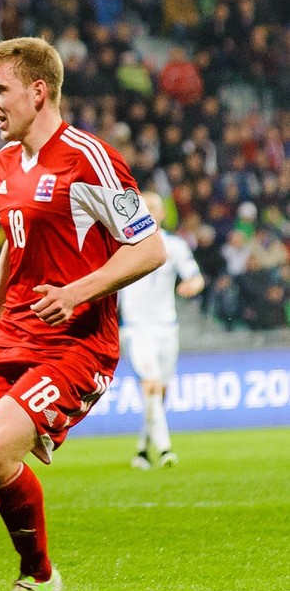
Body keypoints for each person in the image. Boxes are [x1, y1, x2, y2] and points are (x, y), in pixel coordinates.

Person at [0, 38, 165, 591]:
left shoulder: (89, 158)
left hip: (76, 343)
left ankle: (37, 577)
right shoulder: (9, 160)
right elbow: (16, 241)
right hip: (10, 333)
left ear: (38, 91)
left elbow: (150, 246)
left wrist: (80, 290)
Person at [118, 191, 205, 470]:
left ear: (162, 213)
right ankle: (166, 449)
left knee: (159, 394)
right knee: (151, 385)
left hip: (166, 328)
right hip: (137, 328)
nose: (148, 211)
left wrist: (192, 286)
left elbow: (195, 277)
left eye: (153, 207)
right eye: (143, 208)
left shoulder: (175, 246)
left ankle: (143, 450)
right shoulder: (122, 245)